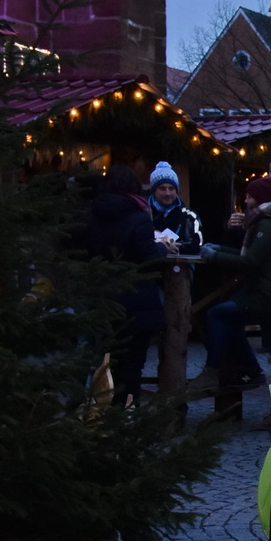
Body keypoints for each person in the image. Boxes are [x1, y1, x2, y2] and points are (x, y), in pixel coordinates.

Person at [194, 177, 271, 411]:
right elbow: (252, 254)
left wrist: (214, 257)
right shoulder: (269, 221)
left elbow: (250, 261)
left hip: (265, 296)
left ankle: (221, 370)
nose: (246, 199)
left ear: (258, 199)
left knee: (218, 315)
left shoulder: (267, 224)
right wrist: (220, 248)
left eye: (249, 196)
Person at [77, 166, 169, 405]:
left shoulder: (91, 213)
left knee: (104, 360)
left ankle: (96, 412)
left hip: (102, 298)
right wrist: (162, 248)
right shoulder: (138, 216)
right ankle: (125, 416)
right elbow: (149, 258)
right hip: (135, 300)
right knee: (131, 365)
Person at [148, 162, 201, 253]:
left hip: (181, 266)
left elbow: (198, 244)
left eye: (171, 188)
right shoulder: (143, 214)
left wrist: (173, 247)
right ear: (154, 191)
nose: (167, 193)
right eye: (162, 188)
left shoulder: (189, 216)